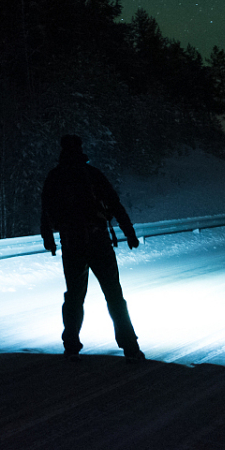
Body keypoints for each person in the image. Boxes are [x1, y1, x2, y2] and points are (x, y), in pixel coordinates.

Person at [39, 134, 144, 359]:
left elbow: (45, 210)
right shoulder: (92, 174)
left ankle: (71, 345)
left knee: (74, 296)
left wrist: (48, 238)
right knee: (114, 294)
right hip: (98, 241)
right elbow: (115, 205)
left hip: (71, 243)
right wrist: (129, 233)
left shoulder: (55, 176)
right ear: (80, 149)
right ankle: (130, 346)